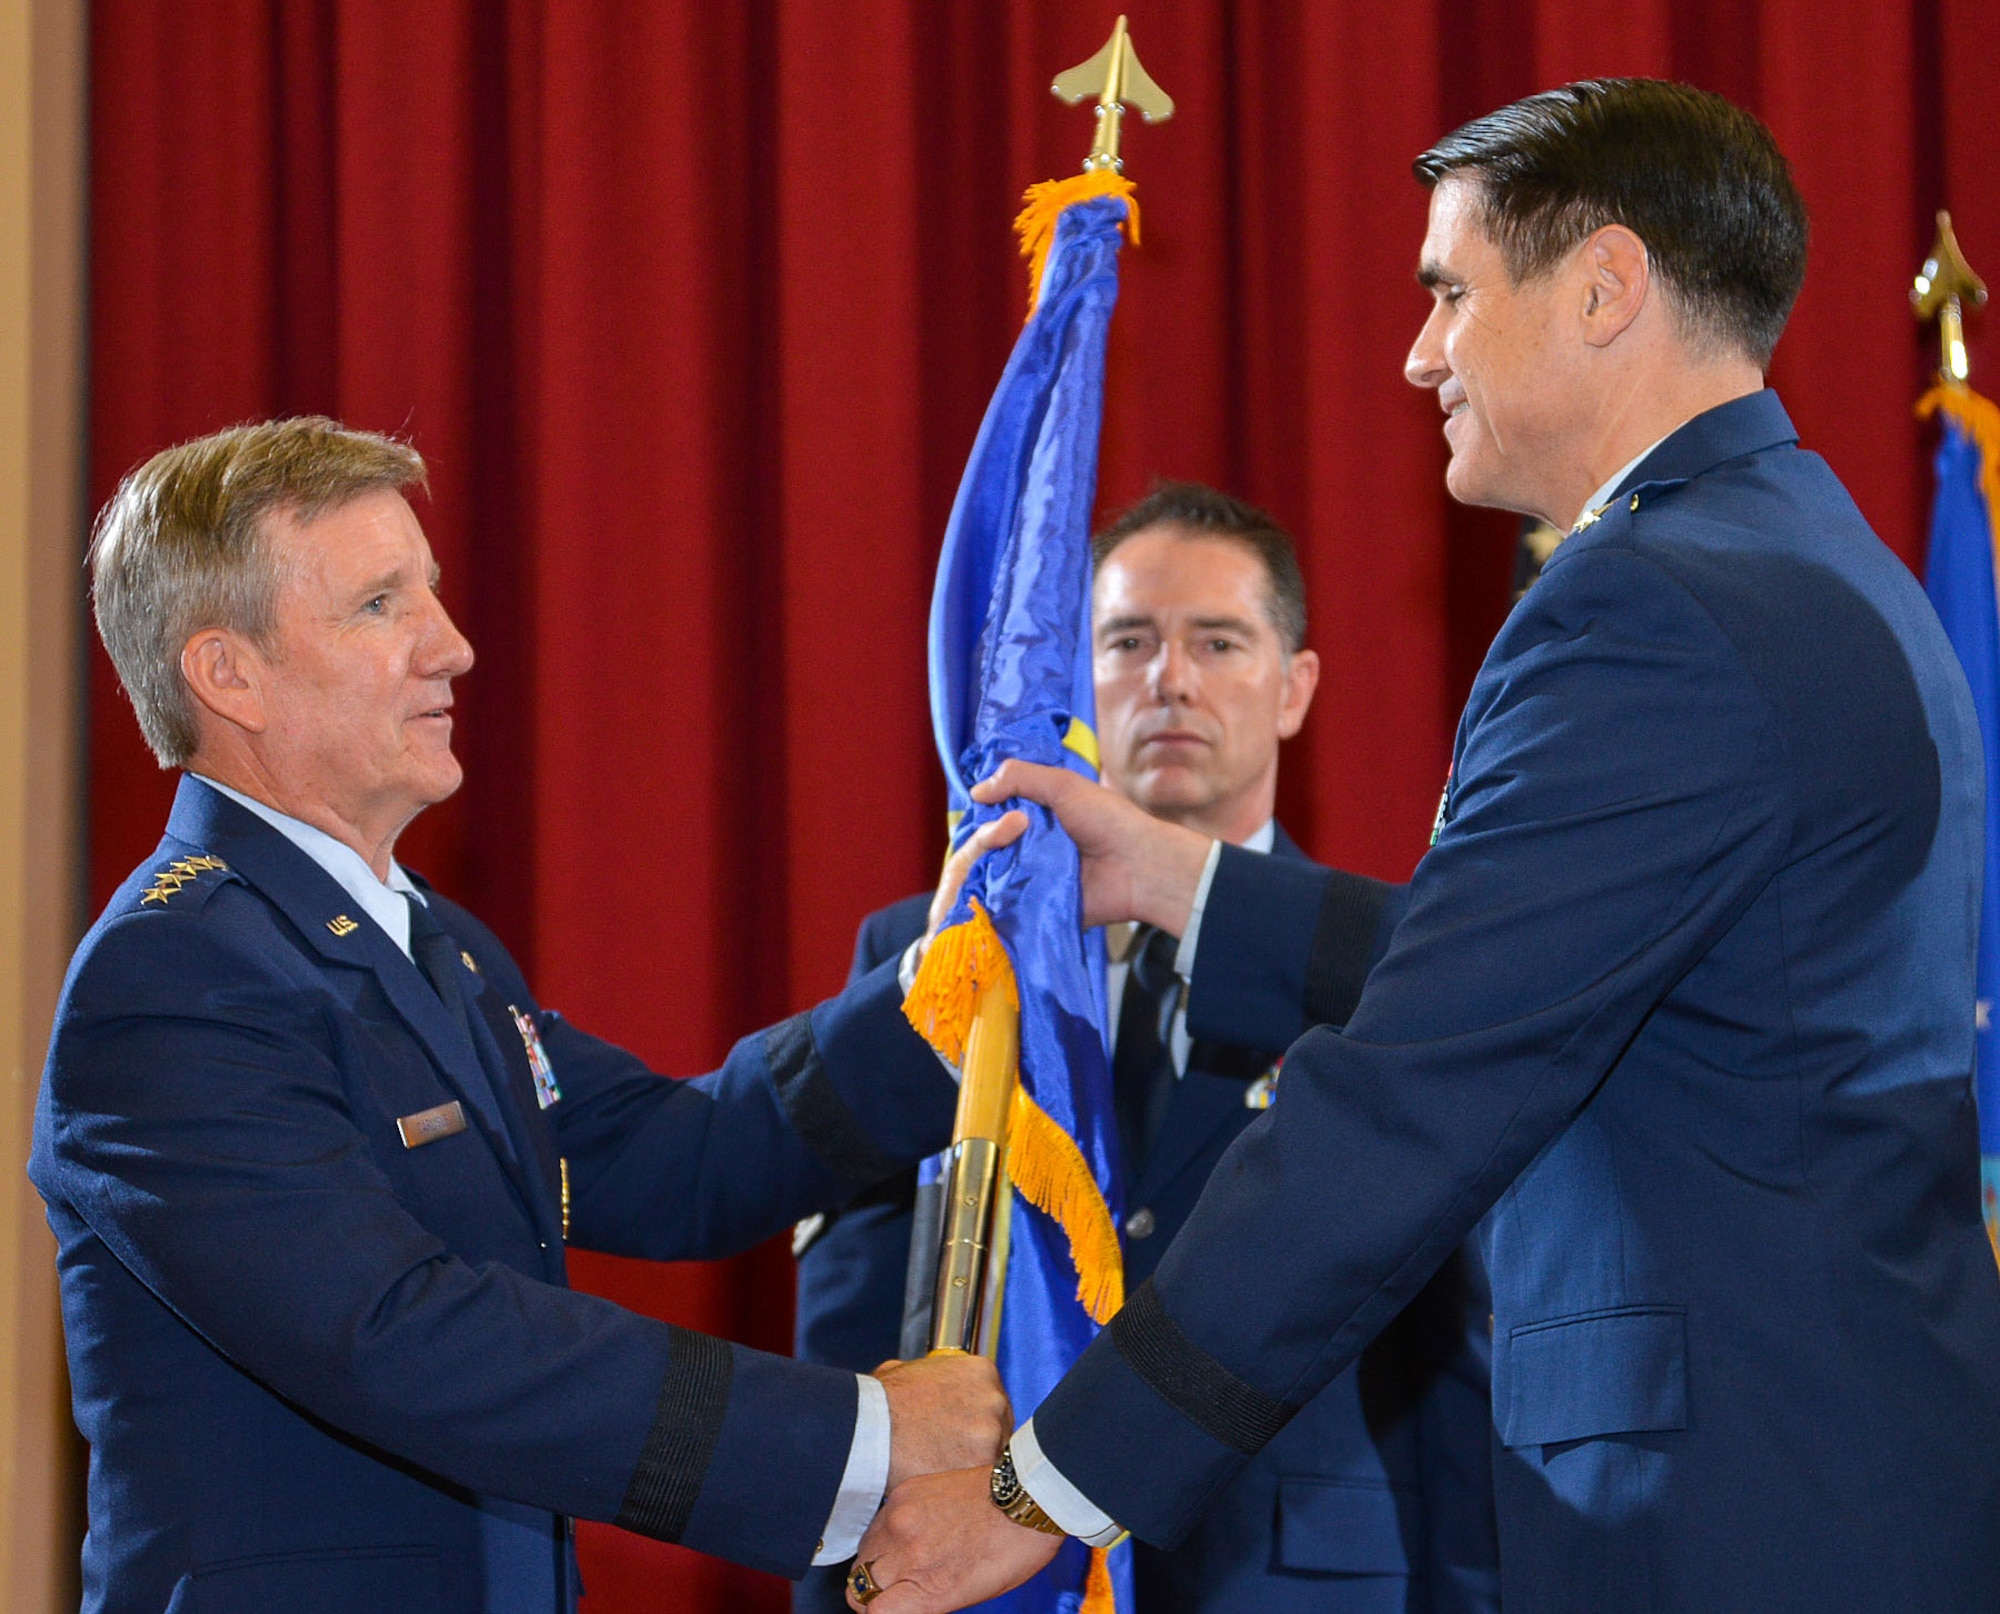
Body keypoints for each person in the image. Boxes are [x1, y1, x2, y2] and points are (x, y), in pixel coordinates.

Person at [849, 79, 2000, 1614]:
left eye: (1449, 291)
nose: (1418, 351)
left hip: (1727, 1515)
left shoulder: (1645, 607)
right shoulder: (1816, 561)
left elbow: (1416, 1089)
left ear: (1604, 284)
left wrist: (1050, 1481)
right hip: (1826, 1469)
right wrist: (1190, 884)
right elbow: (1589, 989)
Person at [29, 418, 1010, 1614]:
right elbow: (404, 1337)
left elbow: (673, 1158)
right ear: (228, 674)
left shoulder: (425, 937)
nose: (453, 646)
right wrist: (860, 1432)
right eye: (380, 606)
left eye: (428, 594)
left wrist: (939, 992)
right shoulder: (173, 979)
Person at [795, 484, 1498, 1613]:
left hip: (1305, 1581)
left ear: (1294, 684)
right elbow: (857, 1305)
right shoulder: (945, 945)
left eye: (1217, 641)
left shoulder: (1383, 963)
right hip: (986, 1578)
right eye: (1126, 641)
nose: (1168, 678)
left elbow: (1451, 1339)